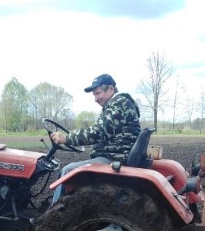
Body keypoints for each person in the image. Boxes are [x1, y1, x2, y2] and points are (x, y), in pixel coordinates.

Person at [49, 74, 141, 203]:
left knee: (68, 170)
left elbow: (98, 132)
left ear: (110, 89)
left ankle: (54, 216)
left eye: (98, 93)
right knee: (70, 169)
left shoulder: (119, 104)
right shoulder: (115, 105)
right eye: (94, 95)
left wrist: (67, 138)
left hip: (114, 158)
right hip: (115, 155)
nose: (96, 99)